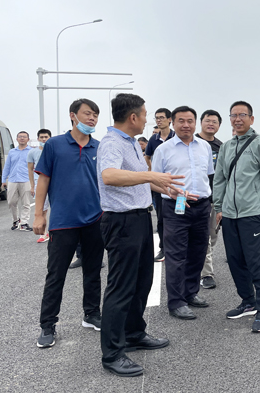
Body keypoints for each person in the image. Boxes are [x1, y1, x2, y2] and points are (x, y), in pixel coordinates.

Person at [98, 93, 183, 377]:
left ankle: (134, 334)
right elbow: (109, 176)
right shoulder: (112, 143)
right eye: (145, 114)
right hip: (121, 222)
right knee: (121, 287)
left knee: (141, 282)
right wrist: (151, 176)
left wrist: (165, 189)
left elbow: (137, 181)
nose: (148, 120)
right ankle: (112, 354)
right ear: (133, 117)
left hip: (141, 218)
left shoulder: (132, 143)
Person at [33, 99, 105, 349]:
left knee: (93, 271)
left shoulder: (99, 147)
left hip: (95, 219)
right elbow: (43, 180)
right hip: (63, 222)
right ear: (73, 115)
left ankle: (92, 314)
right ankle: (47, 324)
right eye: (87, 114)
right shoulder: (54, 145)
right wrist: (39, 214)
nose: (92, 118)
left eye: (95, 115)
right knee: (56, 274)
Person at [213, 101, 260, 333]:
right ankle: (248, 301)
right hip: (229, 214)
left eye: (242, 114)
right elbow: (220, 178)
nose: (237, 119)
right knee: (235, 260)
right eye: (234, 115)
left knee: (257, 261)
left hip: (253, 212)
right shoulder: (226, 146)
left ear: (251, 119)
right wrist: (219, 206)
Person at [152, 106, 214, 320]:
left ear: (195, 123)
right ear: (173, 123)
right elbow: (153, 181)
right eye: (181, 121)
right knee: (176, 255)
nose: (186, 125)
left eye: (190, 121)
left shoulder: (204, 147)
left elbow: (208, 175)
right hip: (176, 206)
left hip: (202, 206)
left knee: (198, 252)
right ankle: (176, 302)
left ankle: (190, 293)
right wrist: (171, 191)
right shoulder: (163, 150)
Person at [196, 109, 224, 290]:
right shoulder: (193, 143)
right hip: (198, 199)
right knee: (204, 237)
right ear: (201, 122)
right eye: (208, 120)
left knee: (212, 236)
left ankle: (200, 264)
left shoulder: (221, 146)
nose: (211, 124)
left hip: (216, 198)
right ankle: (206, 274)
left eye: (214, 121)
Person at [145, 108, 175, 262]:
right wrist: (152, 172)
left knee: (179, 215)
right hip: (159, 185)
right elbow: (147, 157)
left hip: (176, 183)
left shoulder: (176, 137)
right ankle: (163, 248)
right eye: (157, 118)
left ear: (170, 119)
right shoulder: (153, 140)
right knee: (162, 218)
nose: (159, 120)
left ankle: (177, 246)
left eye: (162, 117)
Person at [1, 131, 32, 231]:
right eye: (20, 136)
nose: (22, 138)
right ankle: (15, 220)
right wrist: (3, 180)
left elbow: (35, 167)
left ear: (28, 139)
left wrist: (34, 182)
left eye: (24, 137)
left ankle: (24, 223)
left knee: (26, 203)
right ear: (17, 139)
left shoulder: (31, 151)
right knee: (11, 202)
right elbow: (7, 166)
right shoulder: (12, 152)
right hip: (13, 179)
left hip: (26, 180)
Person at [28, 129, 52, 243]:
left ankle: (55, 232)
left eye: (46, 137)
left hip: (54, 182)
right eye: (41, 137)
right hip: (40, 182)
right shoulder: (32, 152)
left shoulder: (54, 150)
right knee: (43, 209)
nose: (43, 139)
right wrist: (32, 186)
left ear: (50, 138)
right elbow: (30, 169)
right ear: (38, 138)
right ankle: (43, 233)